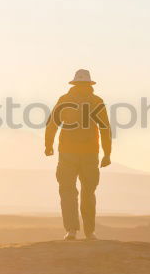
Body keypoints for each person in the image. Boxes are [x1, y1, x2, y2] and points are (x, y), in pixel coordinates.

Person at [44, 69, 112, 240]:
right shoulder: (96, 101)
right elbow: (105, 129)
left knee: (68, 191)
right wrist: (107, 153)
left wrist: (48, 145)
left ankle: (72, 230)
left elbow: (52, 124)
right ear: (90, 84)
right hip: (87, 153)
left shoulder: (65, 100)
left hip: (70, 153)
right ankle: (89, 232)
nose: (82, 88)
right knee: (87, 192)